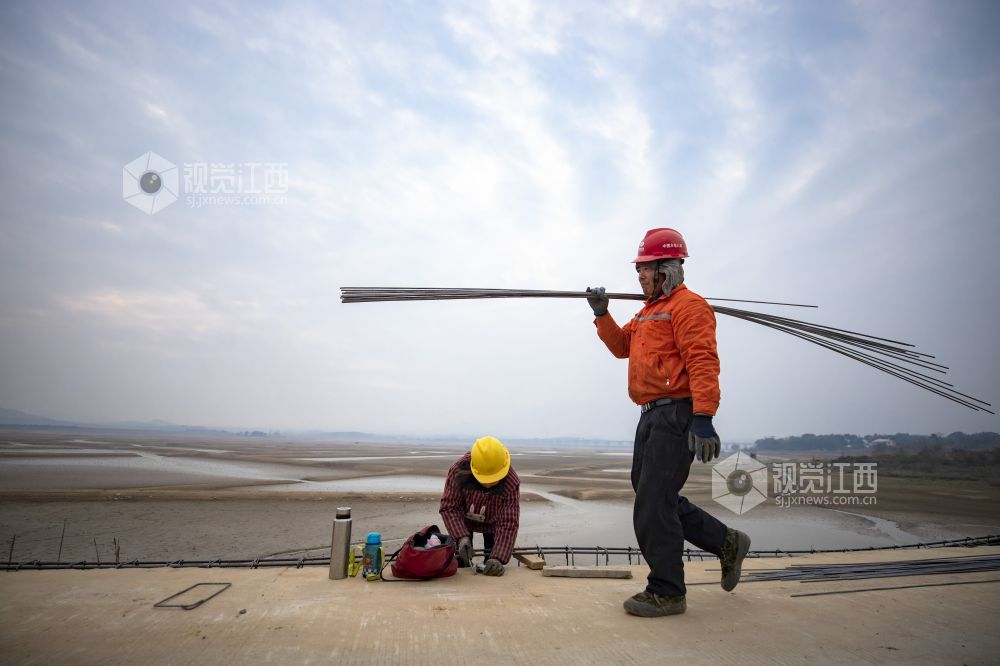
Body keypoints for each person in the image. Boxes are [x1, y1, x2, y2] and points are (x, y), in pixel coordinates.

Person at [586, 227, 751, 617]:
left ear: (668, 268)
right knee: (655, 499)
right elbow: (621, 347)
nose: (639, 276)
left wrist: (704, 417)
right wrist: (602, 314)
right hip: (649, 415)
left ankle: (668, 591)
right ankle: (726, 541)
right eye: (639, 269)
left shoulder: (689, 307)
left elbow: (702, 360)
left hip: (676, 413)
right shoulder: (646, 312)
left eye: (645, 268)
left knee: (653, 505)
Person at [439, 436, 520, 576]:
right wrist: (461, 537)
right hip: (463, 520)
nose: (488, 484)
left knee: (492, 565)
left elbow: (508, 523)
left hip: (494, 523)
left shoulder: (511, 482)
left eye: (493, 479)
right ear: (473, 468)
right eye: (484, 479)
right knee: (462, 558)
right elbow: (449, 507)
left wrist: (498, 558)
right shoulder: (458, 471)